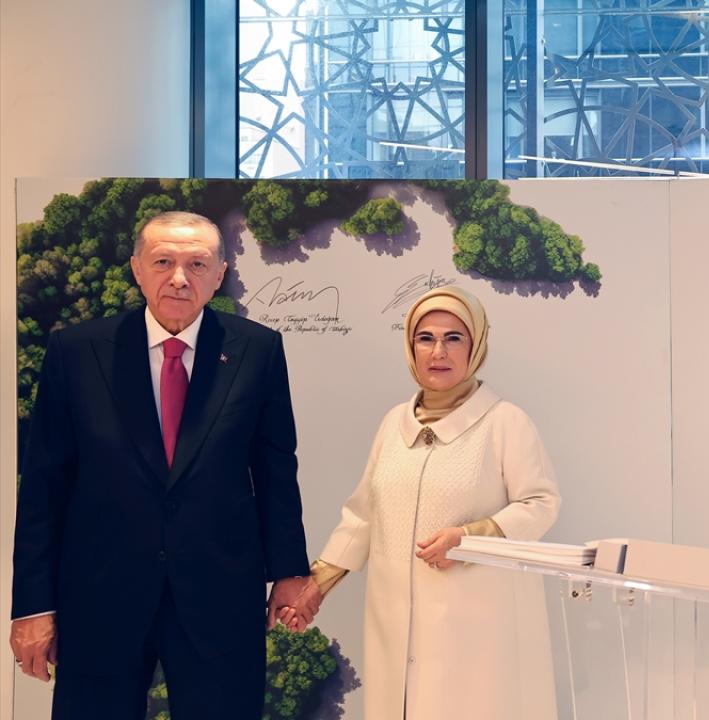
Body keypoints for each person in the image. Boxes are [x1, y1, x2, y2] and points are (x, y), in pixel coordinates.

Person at [9, 211, 317, 719]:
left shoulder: (256, 350)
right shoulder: (76, 352)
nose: (179, 278)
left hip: (219, 594)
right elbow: (44, 489)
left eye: (197, 264)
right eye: (162, 262)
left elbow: (276, 471)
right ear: (136, 268)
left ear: (219, 274)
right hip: (101, 595)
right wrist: (33, 606)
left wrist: (288, 571)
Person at [280, 285, 560, 720]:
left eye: (454, 338)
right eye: (425, 338)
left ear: (476, 345)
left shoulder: (506, 422)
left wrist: (469, 538)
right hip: (394, 622)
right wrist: (315, 587)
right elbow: (363, 515)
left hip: (478, 625)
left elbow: (540, 503)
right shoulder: (394, 423)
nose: (438, 352)